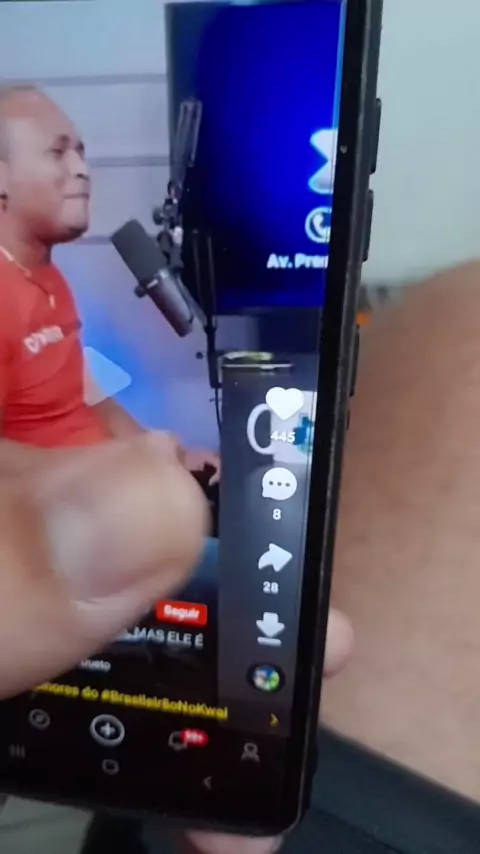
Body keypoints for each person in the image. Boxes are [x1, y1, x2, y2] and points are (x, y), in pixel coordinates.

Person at [0, 82, 220, 611]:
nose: (82, 169)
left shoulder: (48, 278)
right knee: (240, 579)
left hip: (111, 497)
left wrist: (168, 454)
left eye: (81, 152)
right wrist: (111, 472)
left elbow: (89, 397)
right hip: (63, 540)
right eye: (57, 153)